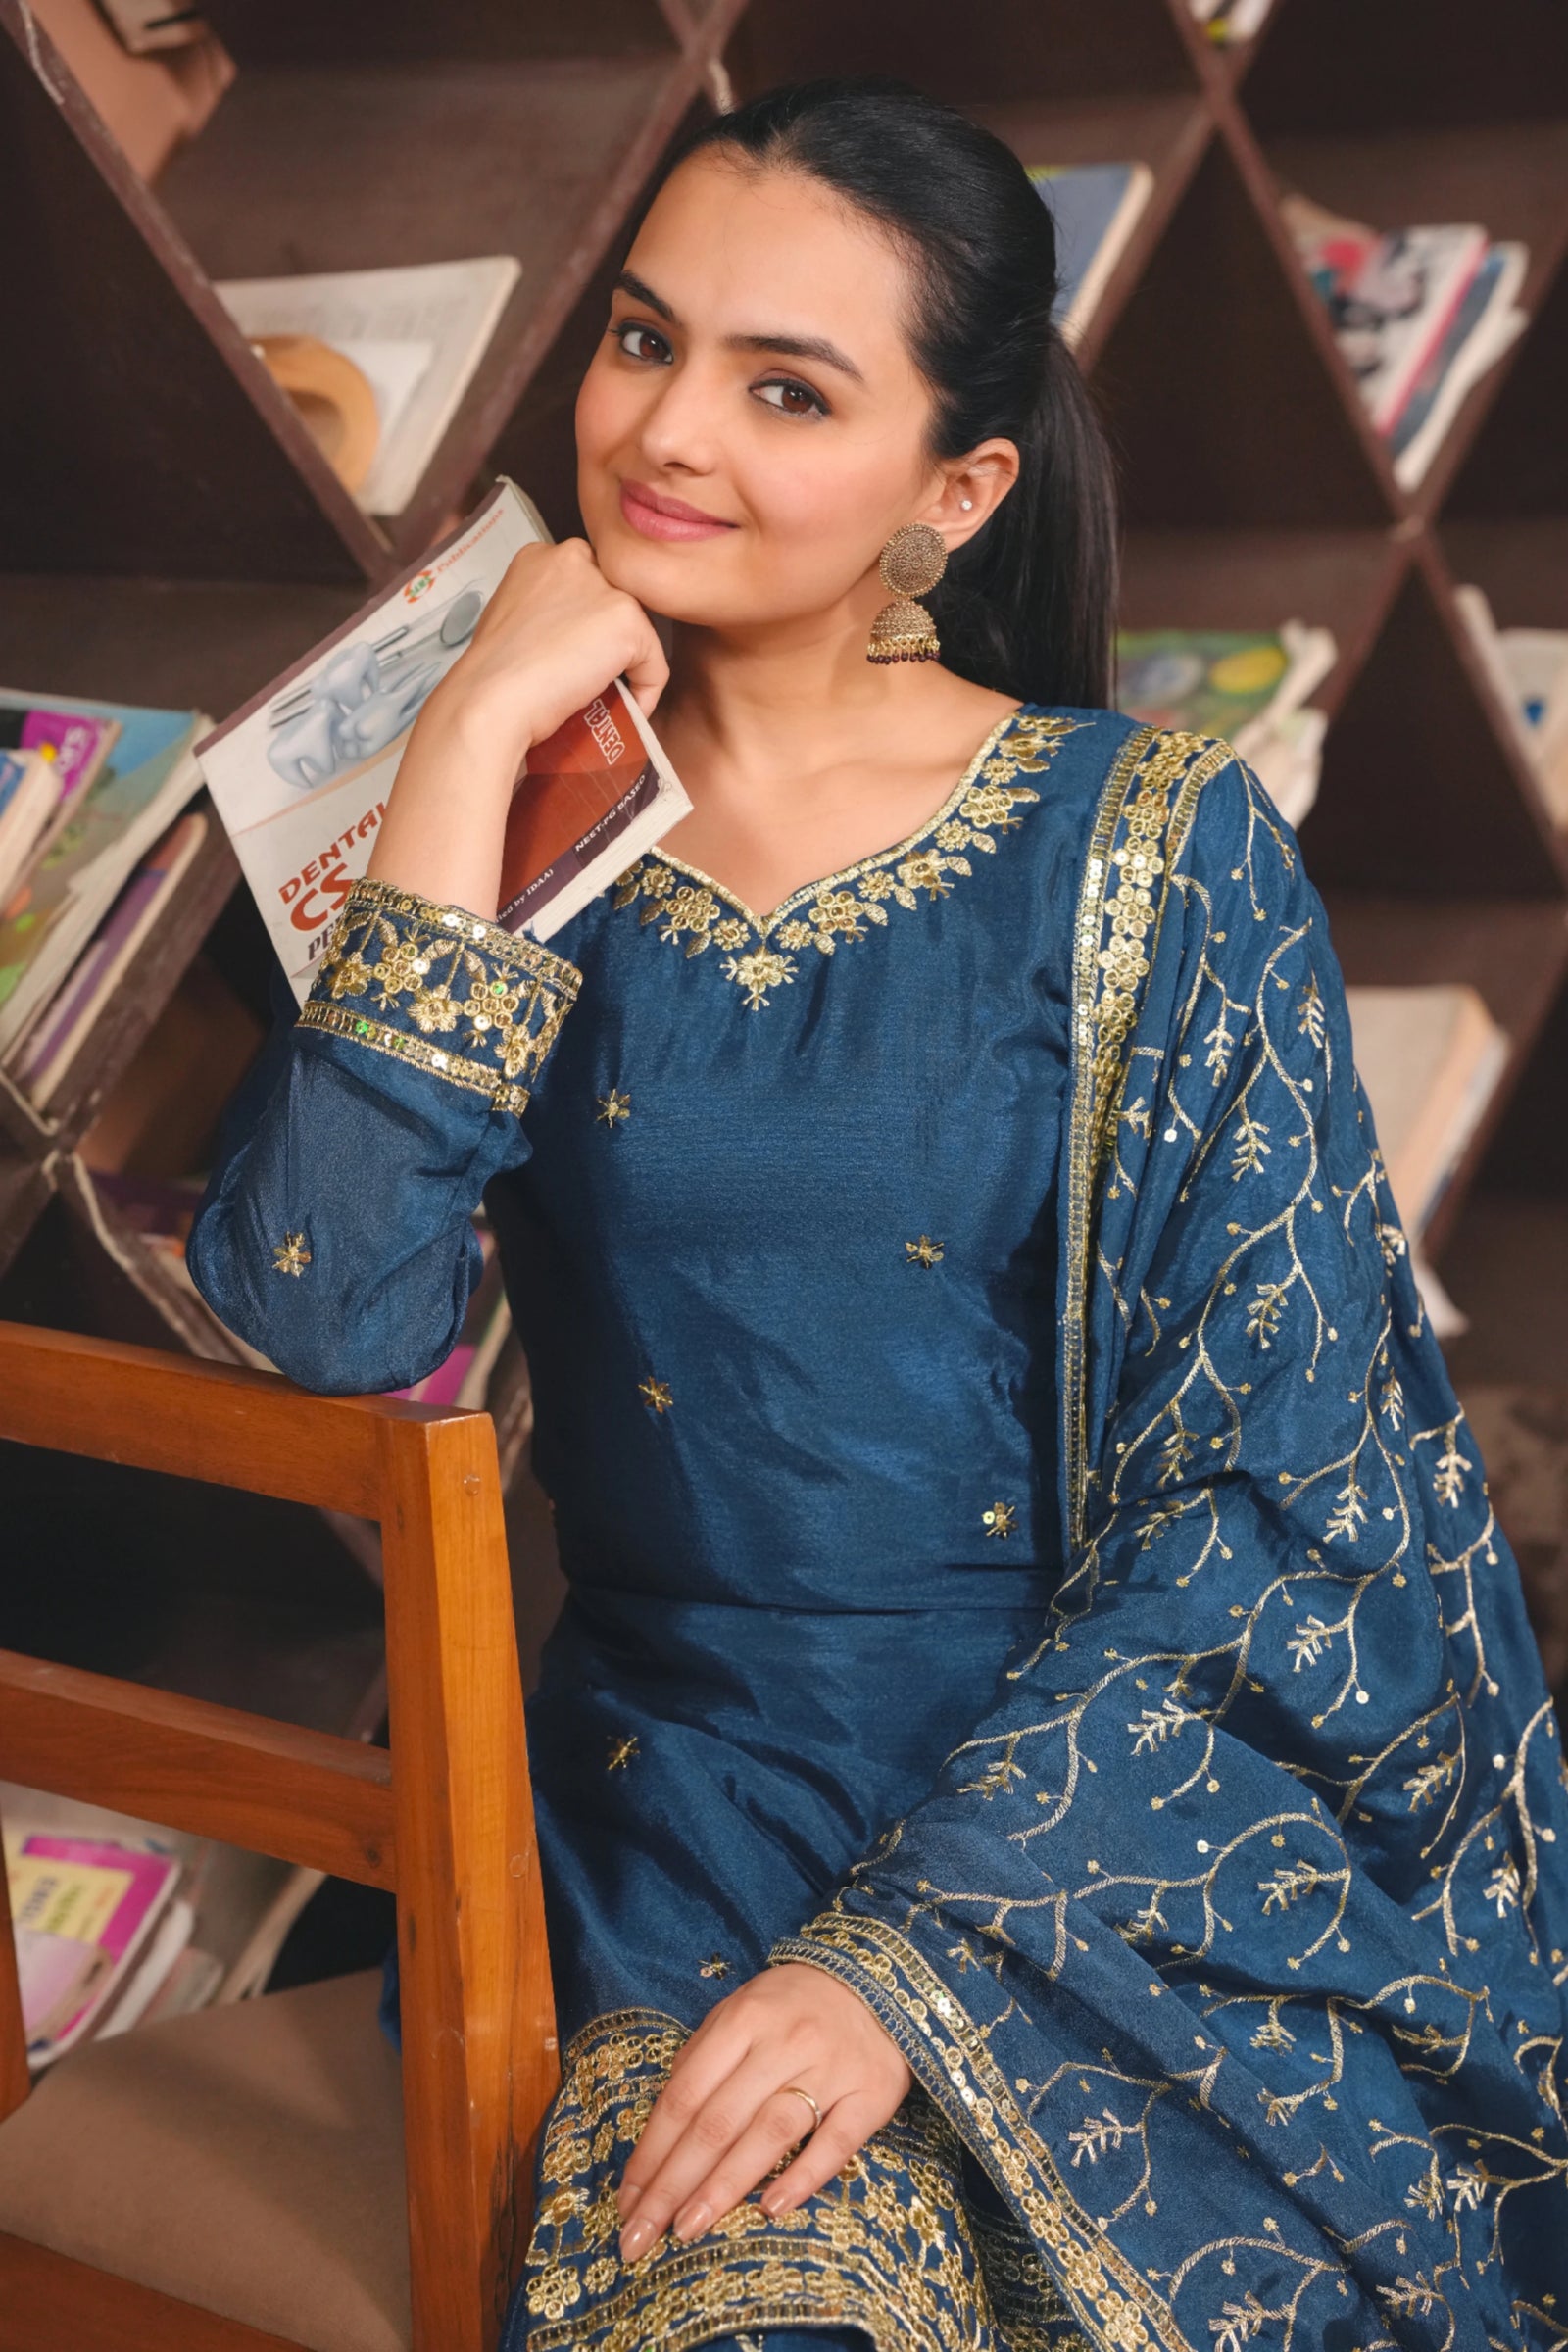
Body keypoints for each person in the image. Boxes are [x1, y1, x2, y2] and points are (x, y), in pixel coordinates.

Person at [188, 77, 1568, 2352]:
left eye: (787, 390)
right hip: (665, 1835)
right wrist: (458, 751)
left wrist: (911, 1967)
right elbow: (322, 1314)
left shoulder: (1147, 845)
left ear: (958, 489)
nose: (665, 434)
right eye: (643, 338)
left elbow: (1280, 1491)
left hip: (1110, 1843)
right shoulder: (516, 810)